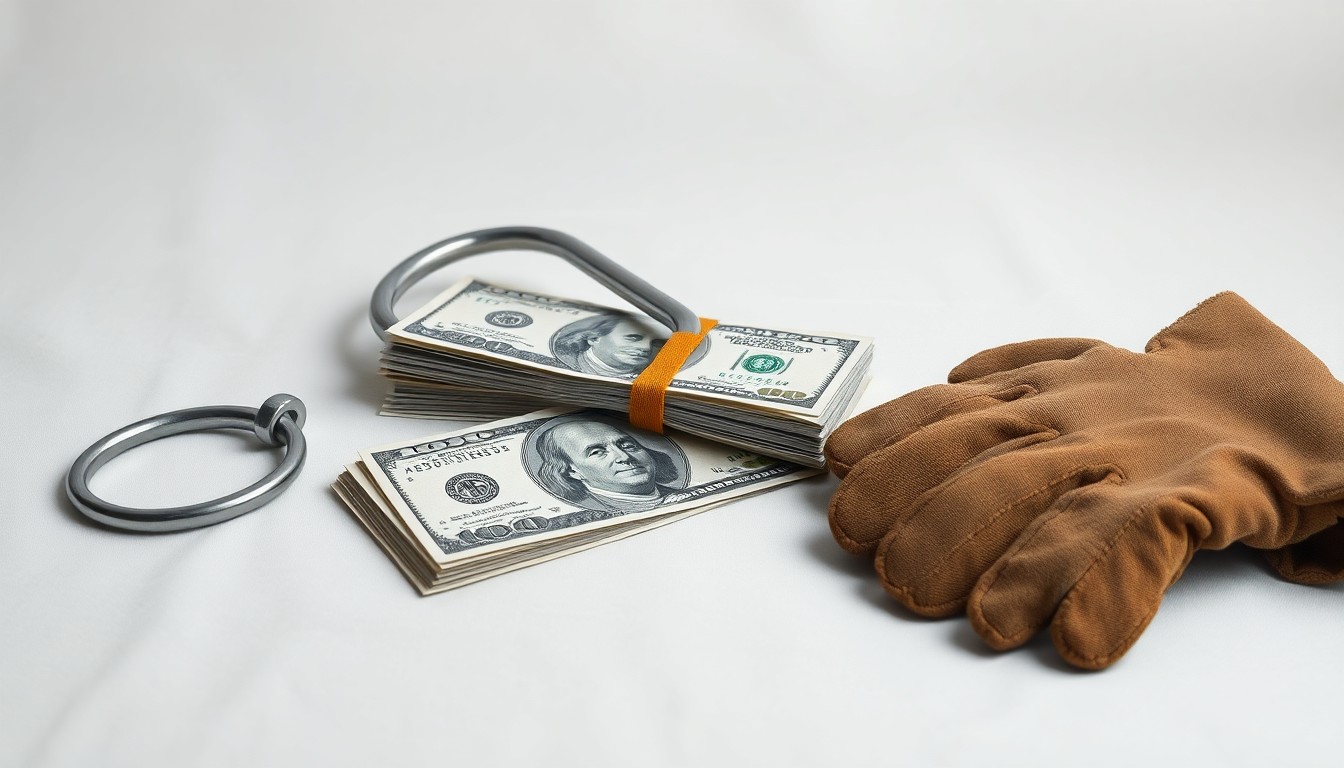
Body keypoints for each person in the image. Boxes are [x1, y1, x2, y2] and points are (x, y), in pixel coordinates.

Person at [534, 419, 683, 513]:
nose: (624, 457)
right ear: (572, 471)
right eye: (597, 452)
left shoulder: (678, 492)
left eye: (627, 445)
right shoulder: (587, 509)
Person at [552, 314, 666, 376]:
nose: (646, 348)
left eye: (655, 343)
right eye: (632, 338)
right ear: (594, 339)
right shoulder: (568, 366)